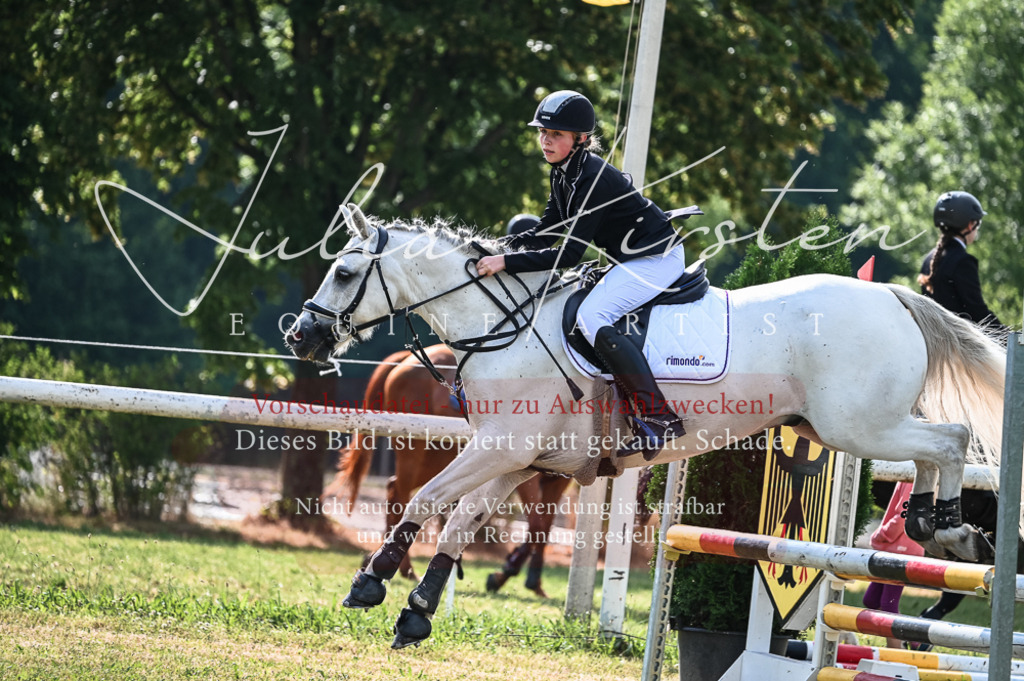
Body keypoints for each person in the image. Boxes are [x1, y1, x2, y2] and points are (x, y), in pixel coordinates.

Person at [475, 90, 686, 458]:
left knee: (592, 315)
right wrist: (492, 247)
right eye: (543, 132)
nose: (545, 140)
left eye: (556, 134)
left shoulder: (592, 177)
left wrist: (505, 263)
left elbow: (570, 254)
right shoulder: (563, 174)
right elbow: (546, 231)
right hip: (630, 260)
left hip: (657, 259)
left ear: (581, 139)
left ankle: (659, 416)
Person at [918, 191, 1009, 337]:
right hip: (960, 345)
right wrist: (1008, 337)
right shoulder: (963, 261)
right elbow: (978, 312)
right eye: (977, 224)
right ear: (970, 225)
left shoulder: (928, 259)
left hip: (933, 343)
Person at [863, 481, 924, 649]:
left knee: (889, 604)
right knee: (871, 600)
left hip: (901, 548)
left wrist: (881, 535)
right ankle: (913, 636)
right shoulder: (905, 475)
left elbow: (904, 514)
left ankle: (896, 654)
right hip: (892, 547)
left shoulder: (912, 478)